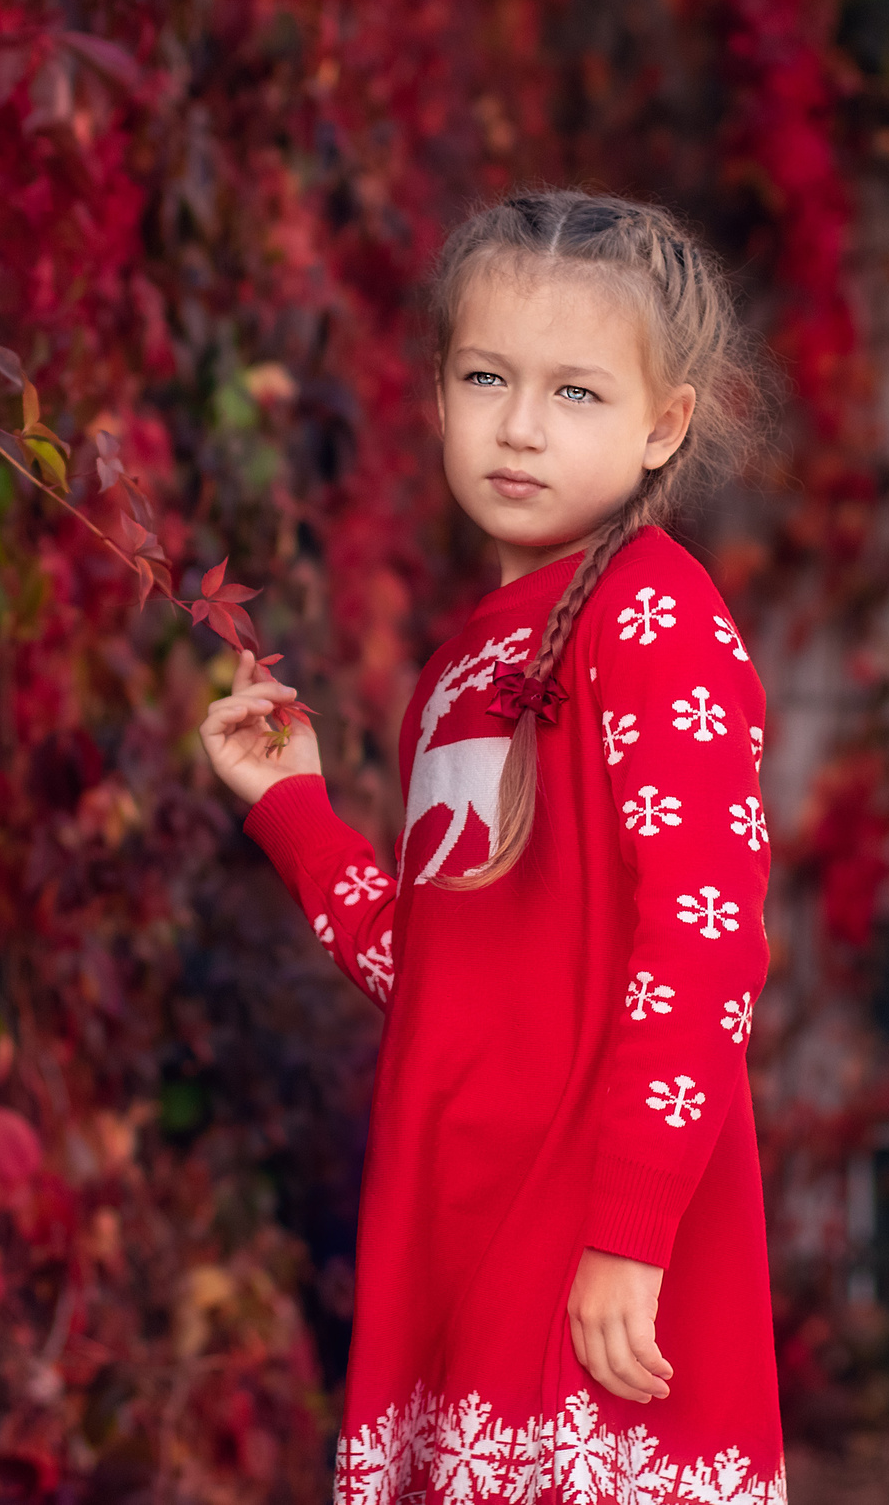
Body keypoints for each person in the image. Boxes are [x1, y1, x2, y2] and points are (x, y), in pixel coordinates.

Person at [198, 190, 781, 1505]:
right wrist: (295, 809)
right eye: (486, 377)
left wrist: (629, 1234)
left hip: (586, 1244)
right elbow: (439, 970)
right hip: (453, 1223)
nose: (519, 425)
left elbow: (705, 945)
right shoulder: (468, 660)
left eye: (576, 393)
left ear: (662, 426)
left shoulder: (655, 623)